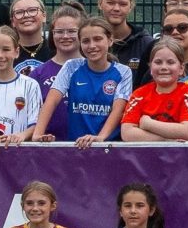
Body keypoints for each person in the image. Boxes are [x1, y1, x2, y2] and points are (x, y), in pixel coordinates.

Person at [35, 16, 130, 146]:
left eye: (97, 39)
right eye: (86, 41)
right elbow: (51, 101)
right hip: (76, 147)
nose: (92, 45)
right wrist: (37, 134)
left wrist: (100, 138)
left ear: (110, 40)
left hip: (108, 147)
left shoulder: (123, 71)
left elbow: (118, 110)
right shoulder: (71, 66)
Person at [120, 44, 188, 142]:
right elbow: (127, 134)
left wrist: (148, 124)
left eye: (170, 62)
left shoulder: (187, 93)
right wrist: (167, 140)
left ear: (181, 68)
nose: (163, 67)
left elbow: (187, 132)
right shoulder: (139, 94)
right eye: (158, 62)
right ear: (150, 68)